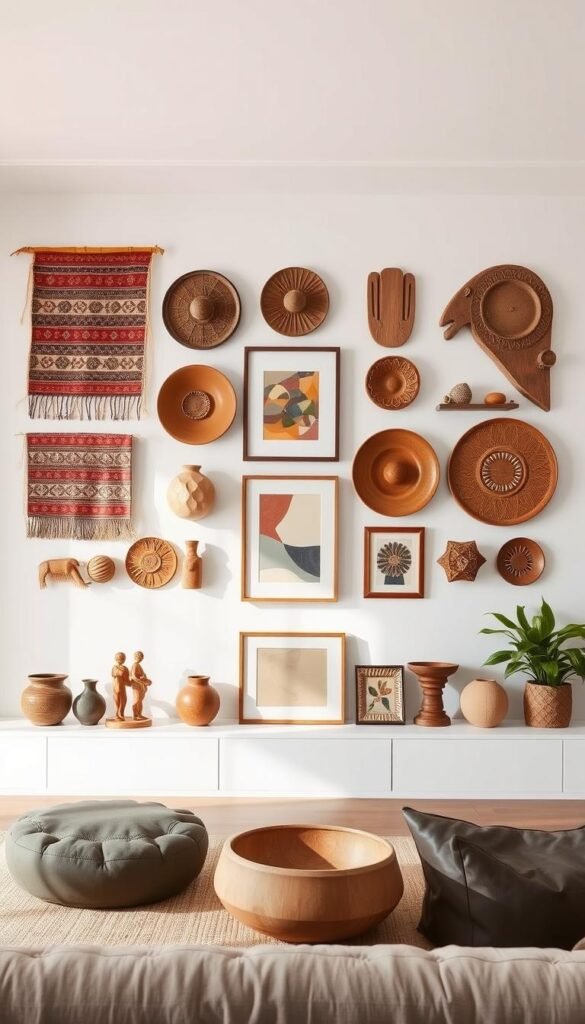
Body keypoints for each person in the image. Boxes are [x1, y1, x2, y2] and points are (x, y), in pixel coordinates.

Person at [130, 651, 151, 722]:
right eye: (140, 657)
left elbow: (141, 676)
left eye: (142, 657)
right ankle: (134, 715)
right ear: (136, 657)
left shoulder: (138, 665)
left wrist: (146, 680)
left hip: (141, 685)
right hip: (137, 685)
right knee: (136, 700)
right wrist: (143, 682)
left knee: (140, 701)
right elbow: (134, 677)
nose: (142, 658)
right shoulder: (135, 665)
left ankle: (139, 714)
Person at [111, 652, 130, 721]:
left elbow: (127, 680)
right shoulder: (115, 667)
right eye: (119, 658)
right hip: (116, 686)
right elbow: (117, 674)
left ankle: (121, 713)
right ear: (116, 659)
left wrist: (132, 683)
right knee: (117, 700)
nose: (121, 660)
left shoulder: (125, 668)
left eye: (123, 658)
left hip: (122, 687)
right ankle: (118, 714)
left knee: (123, 700)